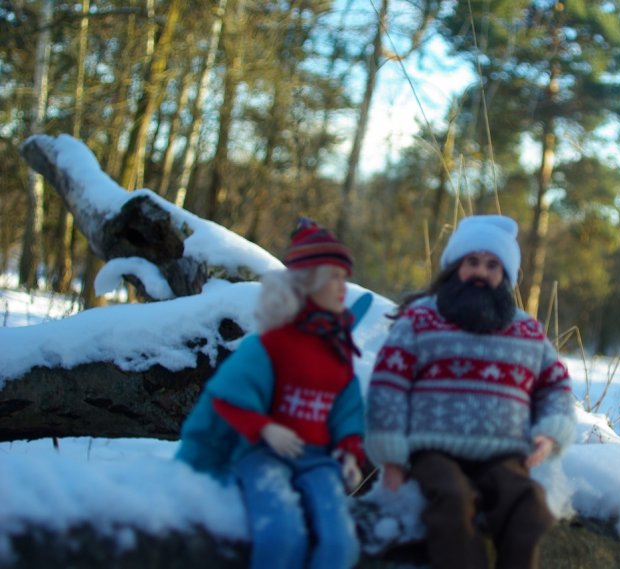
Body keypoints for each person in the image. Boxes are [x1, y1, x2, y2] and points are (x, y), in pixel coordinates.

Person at [365, 214, 576, 569]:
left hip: (504, 455)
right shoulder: (420, 319)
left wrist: (550, 431)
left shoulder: (526, 331)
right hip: (433, 450)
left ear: (505, 275)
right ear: (454, 267)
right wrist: (390, 452)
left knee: (528, 505)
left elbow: (554, 384)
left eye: (493, 265)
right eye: (472, 262)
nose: (481, 272)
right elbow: (389, 384)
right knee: (452, 500)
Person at [177, 217, 364, 569]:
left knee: (340, 543)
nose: (343, 287)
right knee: (281, 535)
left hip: (317, 460)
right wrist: (264, 427)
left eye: (344, 278)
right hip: (263, 456)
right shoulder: (272, 344)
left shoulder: (336, 351)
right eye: (334, 277)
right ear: (308, 284)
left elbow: (345, 407)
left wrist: (348, 451)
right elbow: (229, 394)